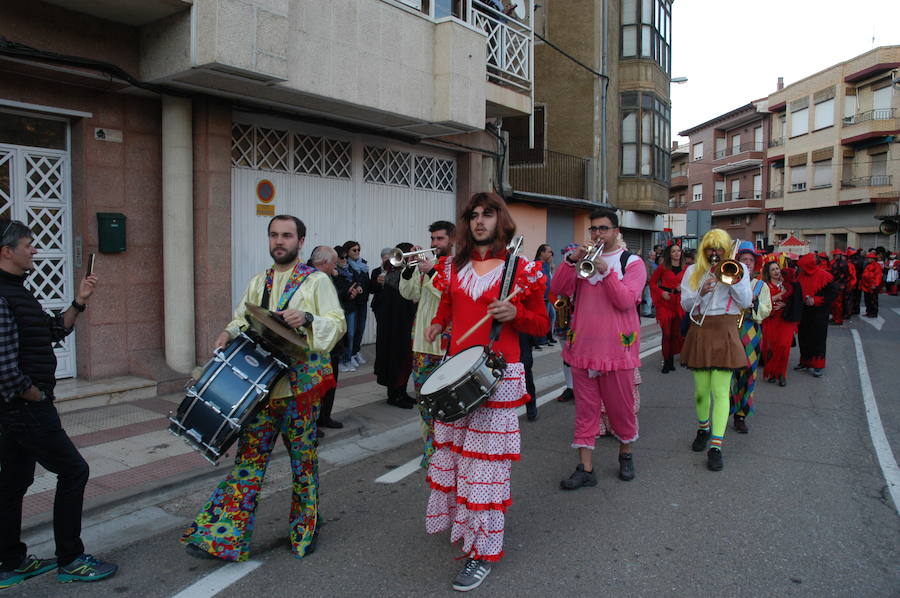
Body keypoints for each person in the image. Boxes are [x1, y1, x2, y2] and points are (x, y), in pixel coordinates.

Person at [181, 215, 345, 561]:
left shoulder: (316, 282)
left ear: (301, 241)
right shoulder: (260, 281)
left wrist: (310, 319)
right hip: (263, 391)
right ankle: (221, 537)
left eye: (287, 236)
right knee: (248, 462)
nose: (279, 241)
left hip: (300, 390)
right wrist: (228, 333)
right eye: (274, 235)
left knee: (303, 463)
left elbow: (337, 323)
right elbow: (242, 318)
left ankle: (306, 528)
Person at [423, 192, 547, 592]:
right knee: (458, 462)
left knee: (485, 472)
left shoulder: (521, 270)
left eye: (487, 214)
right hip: (455, 374)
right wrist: (439, 324)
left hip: (498, 374)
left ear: (501, 220)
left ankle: (483, 553)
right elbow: (447, 306)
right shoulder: (452, 267)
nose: (479, 221)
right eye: (473, 215)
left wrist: (518, 314)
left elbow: (542, 325)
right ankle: (467, 528)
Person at [0, 219, 116, 588]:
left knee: (13, 482)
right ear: (7, 251)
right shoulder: (2, 296)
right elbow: (4, 371)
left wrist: (80, 300)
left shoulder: (17, 290)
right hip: (25, 409)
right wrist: (35, 394)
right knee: (74, 471)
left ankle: (10, 562)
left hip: (18, 411)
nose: (34, 250)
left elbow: (54, 331)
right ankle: (70, 559)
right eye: (28, 245)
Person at [551, 208, 646, 488]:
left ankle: (626, 454)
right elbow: (558, 289)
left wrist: (606, 272)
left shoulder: (633, 262)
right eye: (593, 229)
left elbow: (625, 301)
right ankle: (585, 467)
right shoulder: (583, 260)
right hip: (583, 347)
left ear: (617, 231)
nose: (597, 234)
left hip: (618, 351)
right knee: (586, 410)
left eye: (603, 229)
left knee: (621, 409)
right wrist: (571, 261)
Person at [680, 229, 752, 472]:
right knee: (701, 391)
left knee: (720, 391)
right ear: (703, 250)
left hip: (726, 327)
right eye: (710, 249)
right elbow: (685, 305)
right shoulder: (693, 271)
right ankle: (703, 428)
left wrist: (731, 281)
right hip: (701, 327)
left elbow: (747, 302)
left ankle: (716, 447)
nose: (715, 253)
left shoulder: (738, 269)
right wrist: (702, 291)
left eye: (719, 249)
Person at [399, 221, 455, 465]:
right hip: (421, 343)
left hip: (446, 346)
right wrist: (412, 269)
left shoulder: (457, 267)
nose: (435, 244)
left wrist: (432, 271)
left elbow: (447, 294)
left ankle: (443, 448)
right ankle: (430, 446)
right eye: (433, 239)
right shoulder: (430, 265)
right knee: (423, 400)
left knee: (445, 401)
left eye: (440, 239)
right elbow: (409, 294)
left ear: (452, 240)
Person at [313, 245, 360, 436]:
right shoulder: (311, 279)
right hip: (320, 342)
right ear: (324, 262)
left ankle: (325, 416)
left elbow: (336, 301)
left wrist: (348, 294)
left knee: (330, 382)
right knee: (316, 386)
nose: (336, 266)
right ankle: (312, 424)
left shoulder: (329, 277)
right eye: (333, 262)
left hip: (333, 341)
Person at [729, 242, 772, 434]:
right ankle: (725, 409)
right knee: (727, 373)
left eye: (750, 260)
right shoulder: (728, 281)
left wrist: (753, 304)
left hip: (750, 330)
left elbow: (766, 310)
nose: (747, 263)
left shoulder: (762, 286)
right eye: (743, 260)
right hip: (729, 330)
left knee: (747, 373)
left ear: (756, 264)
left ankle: (741, 415)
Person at [371, 245, 417, 408]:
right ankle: (394, 395)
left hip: (405, 320)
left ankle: (402, 392)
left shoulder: (407, 270)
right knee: (395, 358)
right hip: (393, 324)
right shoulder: (390, 272)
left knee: (405, 359)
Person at [761, 258, 801, 387]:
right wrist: (780, 296)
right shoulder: (764, 285)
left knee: (784, 347)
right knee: (771, 348)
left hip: (786, 320)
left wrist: (786, 303)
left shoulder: (787, 282)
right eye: (772, 269)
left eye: (777, 268)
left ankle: (782, 374)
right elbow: (763, 301)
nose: (776, 271)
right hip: (771, 320)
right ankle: (772, 373)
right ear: (768, 272)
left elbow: (795, 299)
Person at [794, 253, 835, 378]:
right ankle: (805, 362)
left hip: (819, 313)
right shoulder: (800, 275)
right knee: (803, 337)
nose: (800, 269)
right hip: (804, 312)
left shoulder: (826, 277)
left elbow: (832, 295)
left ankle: (818, 365)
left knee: (818, 338)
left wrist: (815, 300)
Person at [649, 243, 686, 373]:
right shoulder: (663, 267)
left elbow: (692, 285)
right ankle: (667, 361)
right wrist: (661, 293)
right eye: (674, 251)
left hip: (678, 303)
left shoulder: (686, 268)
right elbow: (652, 283)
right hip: (665, 303)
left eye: (679, 251)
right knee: (667, 333)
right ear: (669, 254)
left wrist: (683, 288)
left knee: (676, 334)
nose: (677, 253)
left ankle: (672, 359)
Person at [341, 240, 371, 371]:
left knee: (360, 329)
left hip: (362, 302)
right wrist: (356, 287)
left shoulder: (363, 264)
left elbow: (367, 282)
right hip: (351, 303)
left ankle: (355, 352)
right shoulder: (346, 265)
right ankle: (347, 356)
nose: (357, 252)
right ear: (347, 252)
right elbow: (347, 282)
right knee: (350, 332)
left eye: (358, 250)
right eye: (354, 250)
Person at [534, 243, 556, 346]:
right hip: (541, 298)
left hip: (547, 297)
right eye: (549, 251)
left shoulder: (546, 264)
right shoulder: (536, 264)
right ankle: (539, 340)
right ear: (542, 253)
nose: (551, 253)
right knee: (544, 318)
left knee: (552, 316)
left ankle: (547, 337)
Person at [828, 249, 851, 325]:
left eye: (836, 255)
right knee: (834, 303)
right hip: (835, 285)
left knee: (838, 304)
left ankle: (838, 320)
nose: (834, 256)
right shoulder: (835, 263)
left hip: (839, 286)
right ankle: (835, 318)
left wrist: (839, 284)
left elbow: (845, 276)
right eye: (834, 255)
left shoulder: (843, 264)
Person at [860, 252, 883, 318]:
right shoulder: (867, 265)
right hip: (866, 286)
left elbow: (878, 276)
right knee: (867, 300)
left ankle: (873, 313)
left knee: (873, 300)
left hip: (872, 286)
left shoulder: (877, 265)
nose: (868, 259)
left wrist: (875, 285)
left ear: (873, 259)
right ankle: (868, 312)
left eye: (869, 258)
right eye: (867, 258)